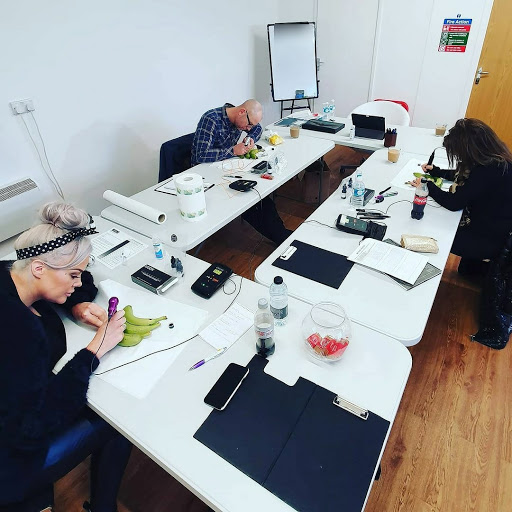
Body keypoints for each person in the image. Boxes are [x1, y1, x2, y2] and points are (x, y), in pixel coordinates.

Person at [0, 202, 131, 512]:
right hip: (9, 461)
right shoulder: (18, 332)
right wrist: (94, 351)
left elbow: (85, 281)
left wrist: (76, 304)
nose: (78, 283)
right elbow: (34, 425)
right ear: (39, 268)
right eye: (73, 275)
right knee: (118, 419)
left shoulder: (12, 270)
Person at [413, 118, 512, 274]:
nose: (458, 158)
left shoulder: (489, 170)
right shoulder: (497, 159)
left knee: (431, 232)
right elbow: (471, 179)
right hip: (495, 231)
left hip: (489, 241)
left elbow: (454, 203)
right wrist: (437, 171)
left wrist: (427, 185)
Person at [192, 99, 292, 245]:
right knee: (253, 201)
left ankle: (282, 235)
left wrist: (250, 138)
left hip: (227, 169)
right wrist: (233, 150)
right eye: (249, 125)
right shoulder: (211, 119)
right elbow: (200, 155)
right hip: (207, 176)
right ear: (242, 112)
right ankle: (283, 238)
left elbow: (258, 129)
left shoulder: (239, 118)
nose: (248, 128)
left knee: (261, 196)